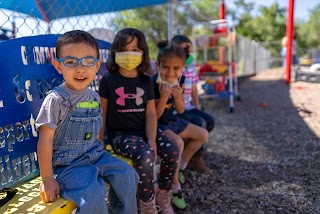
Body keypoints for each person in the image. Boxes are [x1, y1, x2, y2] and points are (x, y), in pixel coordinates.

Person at [35, 30, 139, 214]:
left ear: (97, 65)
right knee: (92, 193)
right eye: (70, 62)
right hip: (68, 165)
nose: (80, 68)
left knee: (128, 175)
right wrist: (47, 179)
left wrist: (101, 149)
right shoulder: (56, 100)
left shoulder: (94, 97)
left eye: (88, 61)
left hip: (96, 155)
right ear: (58, 66)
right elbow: (45, 139)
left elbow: (96, 131)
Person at [98, 28, 180, 214]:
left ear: (143, 53)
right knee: (145, 155)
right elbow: (101, 112)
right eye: (124, 49)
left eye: (135, 50)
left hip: (144, 130)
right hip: (122, 135)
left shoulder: (145, 81)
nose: (130, 54)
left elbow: (151, 113)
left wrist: (152, 138)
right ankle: (147, 203)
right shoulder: (108, 80)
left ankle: (163, 193)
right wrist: (100, 140)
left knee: (172, 150)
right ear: (115, 52)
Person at [152, 40, 209, 209]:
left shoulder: (181, 80)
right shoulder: (153, 83)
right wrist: (163, 97)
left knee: (202, 135)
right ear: (157, 65)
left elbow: (182, 109)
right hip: (159, 125)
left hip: (174, 120)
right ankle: (175, 187)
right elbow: (155, 115)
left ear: (183, 68)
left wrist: (177, 97)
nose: (170, 73)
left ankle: (182, 165)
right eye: (165, 67)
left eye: (176, 68)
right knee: (177, 143)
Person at [171, 35, 215, 174]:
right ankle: (189, 158)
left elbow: (194, 88)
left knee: (210, 121)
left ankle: (194, 155)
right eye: (184, 48)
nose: (188, 52)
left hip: (188, 106)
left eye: (189, 48)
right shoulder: (174, 66)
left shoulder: (190, 66)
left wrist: (197, 105)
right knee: (199, 122)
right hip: (175, 109)